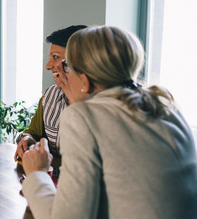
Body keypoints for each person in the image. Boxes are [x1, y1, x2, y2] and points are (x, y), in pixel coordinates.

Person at [21, 26, 197, 219]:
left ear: (85, 79)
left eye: (67, 67)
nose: (63, 73)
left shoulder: (83, 117)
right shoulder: (166, 105)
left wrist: (37, 174)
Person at [14, 25, 87, 176]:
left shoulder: (100, 107)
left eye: (55, 57)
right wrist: (27, 139)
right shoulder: (50, 96)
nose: (48, 66)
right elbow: (32, 132)